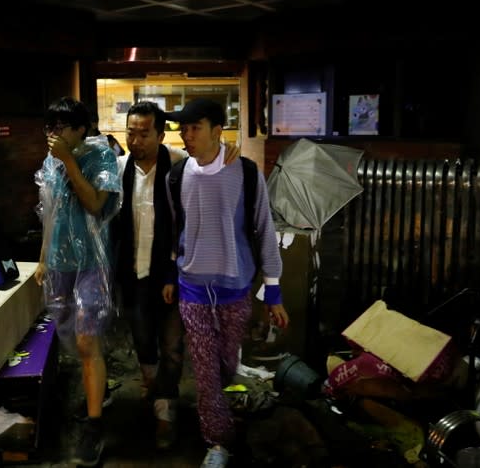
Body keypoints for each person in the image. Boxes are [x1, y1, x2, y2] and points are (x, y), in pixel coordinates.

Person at [166, 98, 290, 468]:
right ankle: (218, 442)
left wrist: (274, 291)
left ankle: (219, 407)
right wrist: (171, 274)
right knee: (204, 368)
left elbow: (265, 230)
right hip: (192, 287)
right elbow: (176, 230)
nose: (187, 136)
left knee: (225, 362)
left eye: (195, 128)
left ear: (218, 131)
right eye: (183, 129)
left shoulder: (247, 173)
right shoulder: (177, 175)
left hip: (235, 286)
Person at [115, 101, 240, 450]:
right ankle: (153, 388)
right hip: (132, 273)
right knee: (142, 341)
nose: (135, 140)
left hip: (173, 273)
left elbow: (212, 169)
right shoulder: (119, 166)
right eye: (131, 133)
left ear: (160, 134)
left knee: (172, 346)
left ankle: (165, 411)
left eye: (143, 134)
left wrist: (228, 149)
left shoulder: (180, 165)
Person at [33, 96, 122, 466]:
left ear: (81, 129)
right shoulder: (50, 162)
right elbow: (48, 213)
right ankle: (96, 391)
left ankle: (95, 426)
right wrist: (41, 259)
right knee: (72, 338)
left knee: (87, 341)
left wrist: (69, 161)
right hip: (59, 263)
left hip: (90, 264)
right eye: (49, 127)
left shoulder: (100, 156)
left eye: (61, 127)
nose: (53, 135)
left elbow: (96, 204)